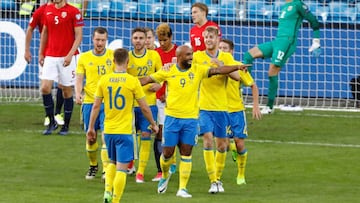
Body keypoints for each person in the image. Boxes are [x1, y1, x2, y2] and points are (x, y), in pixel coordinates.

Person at [139, 45, 249, 198]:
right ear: (179, 57)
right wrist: (127, 81)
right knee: (167, 154)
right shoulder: (168, 71)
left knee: (186, 153)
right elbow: (146, 79)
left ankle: (182, 188)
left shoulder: (197, 70)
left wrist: (236, 66)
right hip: (171, 119)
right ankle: (165, 175)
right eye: (188, 55)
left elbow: (217, 71)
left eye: (192, 54)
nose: (191, 57)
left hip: (191, 119)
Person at [87, 48, 159, 203]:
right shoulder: (132, 81)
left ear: (113, 62)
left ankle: (107, 191)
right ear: (128, 62)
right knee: (122, 169)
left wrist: (91, 127)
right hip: (125, 131)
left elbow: (95, 107)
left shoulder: (104, 80)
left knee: (112, 161)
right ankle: (115, 200)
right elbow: (145, 108)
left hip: (109, 131)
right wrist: (153, 124)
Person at [242, 0, 321, 114]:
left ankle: (269, 106)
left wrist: (316, 40)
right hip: (277, 41)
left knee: (272, 72)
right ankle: (243, 86)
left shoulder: (298, 4)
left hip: (287, 42)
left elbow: (313, 20)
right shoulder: (285, 6)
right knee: (249, 55)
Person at [192, 26, 240, 194]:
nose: (208, 40)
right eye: (206, 37)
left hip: (222, 107)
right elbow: (188, 68)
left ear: (218, 38)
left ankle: (218, 179)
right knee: (207, 140)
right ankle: (213, 181)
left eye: (211, 37)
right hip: (204, 107)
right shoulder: (198, 57)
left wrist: (222, 66)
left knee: (222, 146)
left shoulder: (226, 57)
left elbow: (237, 77)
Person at [219, 39, 262, 185]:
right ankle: (216, 179)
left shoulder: (239, 67)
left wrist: (255, 105)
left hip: (236, 110)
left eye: (225, 48)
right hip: (220, 111)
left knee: (239, 143)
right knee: (222, 144)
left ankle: (241, 174)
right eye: (220, 48)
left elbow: (253, 86)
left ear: (231, 51)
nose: (222, 50)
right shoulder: (214, 67)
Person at [38, 0, 83, 135]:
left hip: (66, 56)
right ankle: (51, 122)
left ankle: (66, 126)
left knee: (66, 90)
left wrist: (70, 55)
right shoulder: (48, 10)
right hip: (50, 55)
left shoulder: (74, 12)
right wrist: (41, 52)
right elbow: (45, 32)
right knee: (45, 87)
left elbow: (79, 35)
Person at [75, 27, 112, 180]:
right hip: (90, 101)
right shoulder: (84, 57)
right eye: (97, 39)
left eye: (103, 40)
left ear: (106, 41)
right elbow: (79, 78)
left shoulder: (112, 56)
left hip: (108, 103)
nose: (100, 43)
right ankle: (93, 165)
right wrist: (77, 93)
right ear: (92, 39)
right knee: (91, 137)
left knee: (105, 136)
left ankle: (105, 169)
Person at [127, 27, 163, 183]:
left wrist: (160, 84)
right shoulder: (128, 57)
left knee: (146, 136)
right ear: (131, 39)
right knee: (131, 137)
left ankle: (140, 172)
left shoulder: (154, 55)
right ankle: (130, 164)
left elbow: (162, 75)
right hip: (130, 104)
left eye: (141, 38)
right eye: (135, 38)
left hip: (149, 104)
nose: (139, 41)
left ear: (146, 40)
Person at [24, 0, 65, 127]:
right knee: (45, 86)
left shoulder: (66, 10)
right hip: (47, 53)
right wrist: (27, 50)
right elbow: (30, 29)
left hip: (63, 51)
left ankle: (58, 113)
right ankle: (48, 115)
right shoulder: (41, 11)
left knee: (63, 85)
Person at [152, 23, 178, 182]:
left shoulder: (179, 53)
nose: (162, 43)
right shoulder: (155, 53)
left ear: (171, 37)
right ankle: (160, 169)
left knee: (175, 133)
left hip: (175, 100)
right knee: (160, 133)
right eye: (160, 40)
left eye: (165, 40)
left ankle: (173, 161)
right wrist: (160, 93)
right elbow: (155, 76)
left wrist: (169, 94)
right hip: (160, 100)